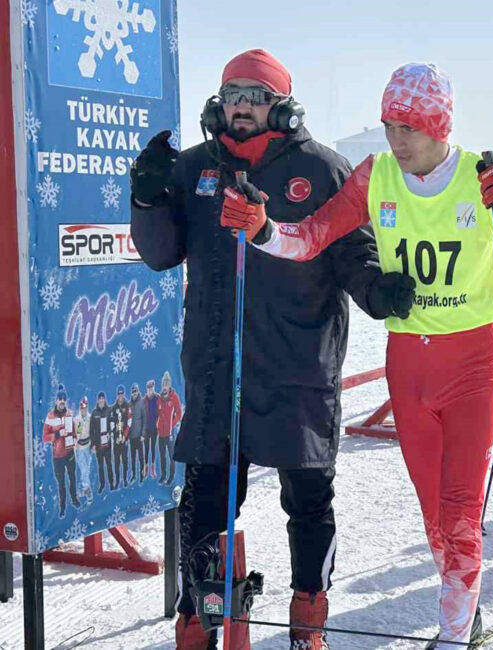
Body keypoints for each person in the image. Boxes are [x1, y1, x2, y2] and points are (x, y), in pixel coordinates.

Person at [222, 63, 493, 645]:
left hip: (472, 361)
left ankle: (453, 634)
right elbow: (311, 239)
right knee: (434, 517)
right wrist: (261, 229)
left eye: (409, 127)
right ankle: (465, 605)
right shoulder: (376, 175)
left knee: (459, 513)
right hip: (410, 363)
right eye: (389, 125)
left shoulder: (481, 176)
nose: (396, 140)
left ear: (440, 126)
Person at [130, 49, 379, 649]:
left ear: (282, 105)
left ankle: (307, 618)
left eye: (256, 94)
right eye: (233, 92)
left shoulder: (322, 168)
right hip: (217, 365)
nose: (242, 104)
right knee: (207, 502)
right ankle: (200, 618)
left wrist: (385, 292)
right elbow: (161, 253)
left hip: (297, 363)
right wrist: (148, 200)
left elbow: (353, 252)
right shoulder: (193, 168)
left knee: (309, 499)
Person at [43, 385, 79, 517]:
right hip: (57, 457)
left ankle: (74, 499)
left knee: (73, 478)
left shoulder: (69, 413)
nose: (62, 400)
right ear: (56, 400)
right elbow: (45, 437)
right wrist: (57, 434)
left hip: (70, 453)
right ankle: (62, 506)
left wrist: (75, 438)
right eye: (60, 398)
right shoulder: (50, 416)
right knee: (61, 482)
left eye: (64, 398)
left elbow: (74, 431)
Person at [154, 372, 182, 486]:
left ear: (169, 385)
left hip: (170, 433)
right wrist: (157, 425)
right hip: (161, 433)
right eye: (163, 383)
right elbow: (157, 413)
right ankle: (163, 475)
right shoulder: (159, 398)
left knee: (171, 456)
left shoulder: (174, 397)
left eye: (167, 383)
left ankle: (171, 476)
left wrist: (173, 424)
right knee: (162, 455)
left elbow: (179, 413)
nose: (165, 385)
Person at [90, 391, 113, 495]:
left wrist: (111, 433)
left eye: (103, 398)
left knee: (109, 464)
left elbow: (114, 423)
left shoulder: (109, 410)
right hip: (98, 445)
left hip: (107, 444)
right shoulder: (94, 413)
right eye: (100, 398)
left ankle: (112, 483)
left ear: (105, 399)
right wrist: (93, 444)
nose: (101, 400)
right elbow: (91, 430)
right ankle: (102, 484)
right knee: (100, 466)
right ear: (97, 400)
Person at [110, 385, 131, 489]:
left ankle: (125, 479)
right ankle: (117, 481)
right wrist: (115, 436)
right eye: (119, 393)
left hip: (124, 439)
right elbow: (112, 424)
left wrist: (124, 436)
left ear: (124, 394)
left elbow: (129, 423)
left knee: (125, 460)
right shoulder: (113, 408)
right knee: (117, 461)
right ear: (117, 395)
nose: (120, 395)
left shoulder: (127, 406)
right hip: (116, 440)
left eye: (122, 393)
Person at [73, 396, 93, 505]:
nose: (83, 409)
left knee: (87, 469)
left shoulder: (90, 417)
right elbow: (76, 435)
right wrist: (80, 427)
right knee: (84, 469)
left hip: (88, 446)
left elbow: (93, 431)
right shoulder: (77, 419)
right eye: (82, 407)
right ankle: (88, 491)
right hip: (80, 448)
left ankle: (82, 487)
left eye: (85, 407)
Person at [128, 383, 146, 484]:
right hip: (131, 436)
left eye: (135, 391)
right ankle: (134, 475)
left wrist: (143, 434)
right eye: (132, 391)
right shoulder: (129, 404)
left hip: (139, 436)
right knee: (133, 458)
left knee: (141, 457)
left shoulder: (142, 402)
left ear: (138, 391)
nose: (134, 393)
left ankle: (142, 474)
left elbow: (144, 419)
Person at [141, 379, 159, 481]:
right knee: (146, 448)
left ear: (154, 388)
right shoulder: (144, 400)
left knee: (153, 448)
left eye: (152, 388)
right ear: (146, 389)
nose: (150, 391)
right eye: (148, 389)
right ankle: (146, 467)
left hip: (155, 428)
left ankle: (153, 468)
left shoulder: (157, 398)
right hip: (146, 429)